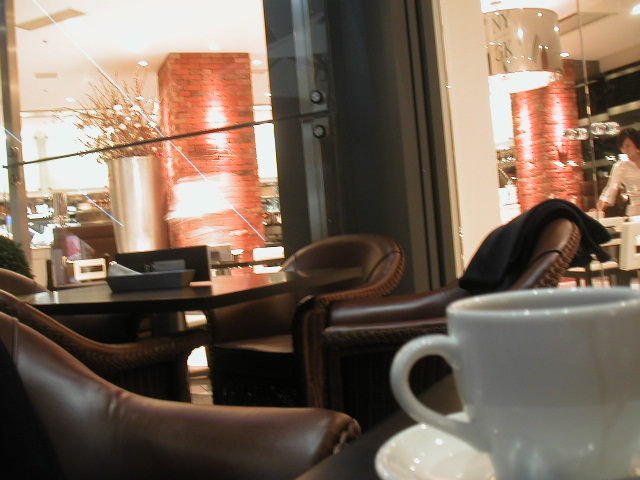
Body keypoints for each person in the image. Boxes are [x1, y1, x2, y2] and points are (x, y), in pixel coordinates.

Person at [597, 127, 640, 216]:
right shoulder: (621, 166)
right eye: (622, 147)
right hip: (636, 211)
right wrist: (601, 205)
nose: (625, 150)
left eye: (628, 145)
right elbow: (612, 187)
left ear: (636, 143)